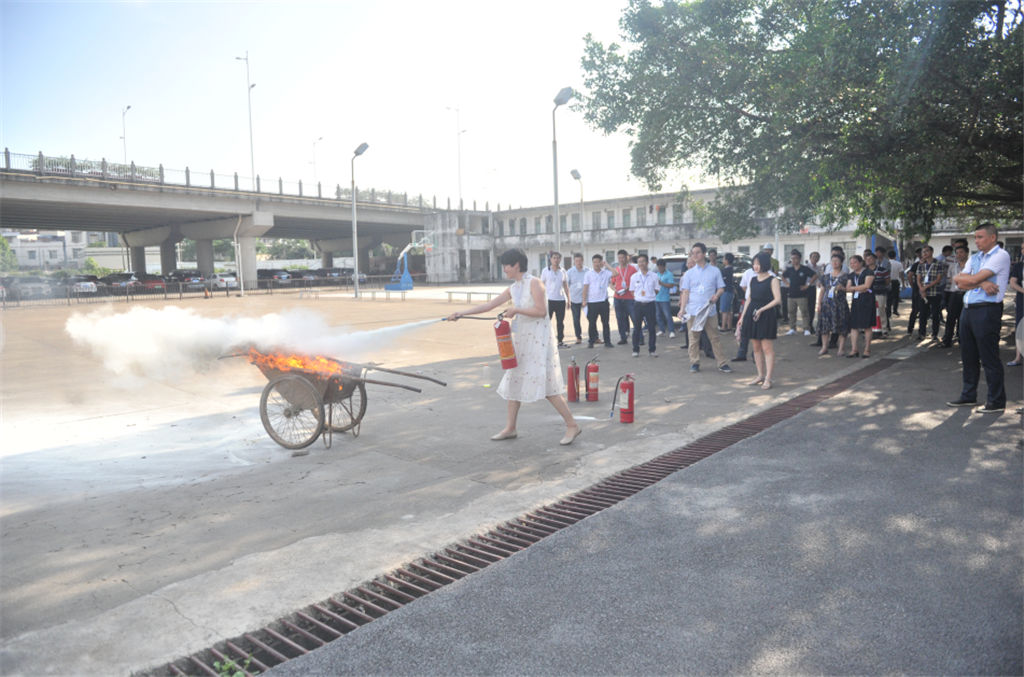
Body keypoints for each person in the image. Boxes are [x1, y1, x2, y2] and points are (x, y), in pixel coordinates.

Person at [446, 248, 581, 444]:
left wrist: (516, 310)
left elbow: (541, 311)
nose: (504, 269)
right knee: (514, 381)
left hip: (538, 341)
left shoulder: (535, 283)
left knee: (547, 385)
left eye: (506, 266)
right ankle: (510, 428)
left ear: (516, 265)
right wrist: (461, 314)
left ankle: (572, 425)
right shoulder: (514, 288)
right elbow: (489, 305)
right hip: (521, 340)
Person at [948, 223, 1011, 413]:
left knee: (989, 357)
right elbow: (957, 281)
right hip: (968, 309)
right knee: (968, 356)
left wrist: (975, 281)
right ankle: (968, 395)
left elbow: (970, 280)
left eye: (980, 237)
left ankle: (996, 401)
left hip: (987, 310)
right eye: (975, 237)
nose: (976, 241)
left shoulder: (1000, 255)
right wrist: (982, 283)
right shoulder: (975, 257)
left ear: (992, 237)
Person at [678, 242, 732, 374]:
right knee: (693, 338)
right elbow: (685, 292)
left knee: (714, 338)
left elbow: (721, 288)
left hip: (709, 310)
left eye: (698, 252)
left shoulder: (714, 270)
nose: (695, 255)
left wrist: (716, 296)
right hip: (693, 310)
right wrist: (682, 309)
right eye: (693, 253)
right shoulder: (689, 274)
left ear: (704, 253)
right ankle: (694, 362)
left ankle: (722, 363)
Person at [736, 252, 781, 389]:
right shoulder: (753, 280)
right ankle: (760, 375)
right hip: (752, 314)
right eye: (754, 263)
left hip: (766, 315)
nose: (755, 266)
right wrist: (742, 317)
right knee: (756, 347)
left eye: (758, 263)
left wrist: (762, 309)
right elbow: (749, 298)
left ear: (765, 264)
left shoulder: (773, 280)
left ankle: (768, 378)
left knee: (767, 348)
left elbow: (777, 300)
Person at [815, 253, 851, 357]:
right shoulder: (826, 276)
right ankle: (824, 347)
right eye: (833, 261)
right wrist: (819, 303)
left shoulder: (846, 276)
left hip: (840, 305)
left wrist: (842, 288)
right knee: (825, 326)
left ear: (841, 262)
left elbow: (849, 289)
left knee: (842, 326)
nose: (834, 263)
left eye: (837, 261)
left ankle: (841, 348)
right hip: (827, 304)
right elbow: (822, 290)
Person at [629, 254, 660, 357]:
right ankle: (635, 350)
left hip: (650, 304)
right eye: (639, 262)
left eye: (643, 261)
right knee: (637, 328)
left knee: (651, 328)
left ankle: (652, 350)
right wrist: (639, 298)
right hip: (638, 305)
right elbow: (632, 291)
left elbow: (656, 290)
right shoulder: (634, 277)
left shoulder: (654, 276)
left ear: (647, 262)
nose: (641, 264)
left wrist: (648, 297)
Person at [845, 254, 876, 358]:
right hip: (856, 301)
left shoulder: (868, 272)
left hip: (867, 301)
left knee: (867, 326)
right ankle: (854, 349)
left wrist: (854, 288)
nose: (852, 265)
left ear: (861, 262)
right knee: (854, 326)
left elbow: (867, 286)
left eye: (855, 262)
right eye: (851, 263)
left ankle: (867, 349)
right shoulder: (851, 275)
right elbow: (848, 288)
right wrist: (859, 288)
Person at [939, 244, 968, 348]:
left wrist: (959, 280)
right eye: (957, 253)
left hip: (967, 294)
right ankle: (947, 340)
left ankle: (962, 339)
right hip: (954, 294)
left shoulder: (971, 266)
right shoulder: (953, 266)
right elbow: (950, 280)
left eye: (961, 252)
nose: (959, 255)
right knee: (950, 318)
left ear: (966, 253)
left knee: (963, 319)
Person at [582, 254, 614, 349]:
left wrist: (607, 265)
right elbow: (585, 288)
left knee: (605, 323)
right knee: (592, 323)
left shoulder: (606, 273)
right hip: (592, 302)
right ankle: (591, 341)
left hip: (603, 301)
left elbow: (616, 273)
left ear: (601, 262)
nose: (596, 264)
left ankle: (607, 342)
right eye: (594, 262)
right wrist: (584, 300)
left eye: (598, 262)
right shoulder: (588, 274)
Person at [781, 250, 816, 335]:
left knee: (804, 312)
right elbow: (782, 276)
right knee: (791, 312)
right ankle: (792, 328)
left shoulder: (804, 269)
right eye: (792, 258)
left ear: (800, 259)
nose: (794, 260)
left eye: (796, 258)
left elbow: (815, 275)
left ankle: (806, 329)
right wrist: (787, 283)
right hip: (791, 294)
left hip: (802, 294)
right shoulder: (790, 269)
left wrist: (807, 285)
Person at [540, 251, 571, 348]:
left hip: (560, 300)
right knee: (546, 321)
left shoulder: (563, 271)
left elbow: (565, 286)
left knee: (560, 322)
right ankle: (545, 341)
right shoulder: (545, 271)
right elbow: (541, 286)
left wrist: (568, 299)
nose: (556, 260)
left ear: (560, 259)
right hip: (549, 300)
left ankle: (560, 341)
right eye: (554, 258)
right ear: (550, 259)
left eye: (558, 258)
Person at [915, 246, 945, 341]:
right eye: (923, 252)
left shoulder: (938, 263)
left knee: (935, 314)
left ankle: (934, 334)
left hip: (935, 293)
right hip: (923, 294)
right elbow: (918, 279)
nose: (925, 253)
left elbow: (938, 279)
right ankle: (922, 333)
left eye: (927, 251)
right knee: (922, 314)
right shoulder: (921, 265)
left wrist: (926, 287)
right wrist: (921, 289)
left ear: (932, 252)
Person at [610, 250, 637, 345]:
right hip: (618, 298)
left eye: (623, 257)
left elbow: (637, 282)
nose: (621, 260)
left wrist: (628, 288)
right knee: (620, 319)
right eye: (619, 258)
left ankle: (639, 337)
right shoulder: (616, 270)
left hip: (629, 298)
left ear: (627, 258)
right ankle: (623, 338)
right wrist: (614, 289)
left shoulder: (632, 269)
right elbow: (611, 283)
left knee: (634, 318)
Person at [732, 264, 757, 361]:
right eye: (755, 263)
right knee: (744, 328)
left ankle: (756, 354)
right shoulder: (748, 272)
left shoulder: (769, 274)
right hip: (748, 302)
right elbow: (743, 286)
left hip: (761, 304)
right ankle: (742, 353)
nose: (756, 266)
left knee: (757, 330)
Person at [566, 253, 589, 344]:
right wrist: (568, 299)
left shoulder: (588, 271)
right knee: (576, 319)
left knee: (591, 318)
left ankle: (594, 336)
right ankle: (578, 337)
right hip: (574, 299)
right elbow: (566, 286)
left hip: (586, 299)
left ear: (583, 261)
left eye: (580, 260)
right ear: (574, 261)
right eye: (576, 261)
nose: (578, 262)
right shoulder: (570, 272)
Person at [654, 258, 676, 338]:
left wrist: (662, 283)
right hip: (656, 298)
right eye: (658, 267)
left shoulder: (669, 274)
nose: (659, 268)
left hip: (665, 298)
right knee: (658, 315)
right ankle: (661, 330)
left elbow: (671, 285)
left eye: (661, 267)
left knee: (667, 315)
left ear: (664, 266)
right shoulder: (656, 274)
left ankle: (672, 331)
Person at [871, 247, 891, 334]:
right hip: (869, 293)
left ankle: (884, 329)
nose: (877, 254)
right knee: (871, 311)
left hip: (880, 291)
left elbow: (887, 280)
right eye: (876, 252)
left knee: (881, 310)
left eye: (879, 252)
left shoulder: (885, 264)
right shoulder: (866, 270)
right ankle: (872, 329)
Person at [1008, 252, 1023, 367]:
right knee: (1020, 327)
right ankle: (1018, 357)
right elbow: (1013, 283)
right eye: (1022, 248)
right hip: (1022, 300)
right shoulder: (1018, 266)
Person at [719, 253, 736, 332]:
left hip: (725, 291)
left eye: (724, 259)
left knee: (724, 310)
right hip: (730, 291)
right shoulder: (732, 269)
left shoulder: (725, 270)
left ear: (727, 260)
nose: (723, 260)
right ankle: (729, 326)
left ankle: (723, 327)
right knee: (729, 310)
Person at [887, 249, 904, 318]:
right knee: (896, 297)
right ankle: (895, 310)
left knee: (888, 297)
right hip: (896, 282)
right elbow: (901, 274)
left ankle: (888, 312)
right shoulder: (899, 264)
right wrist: (903, 284)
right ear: (895, 256)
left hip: (888, 282)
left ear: (888, 256)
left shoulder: (886, 263)